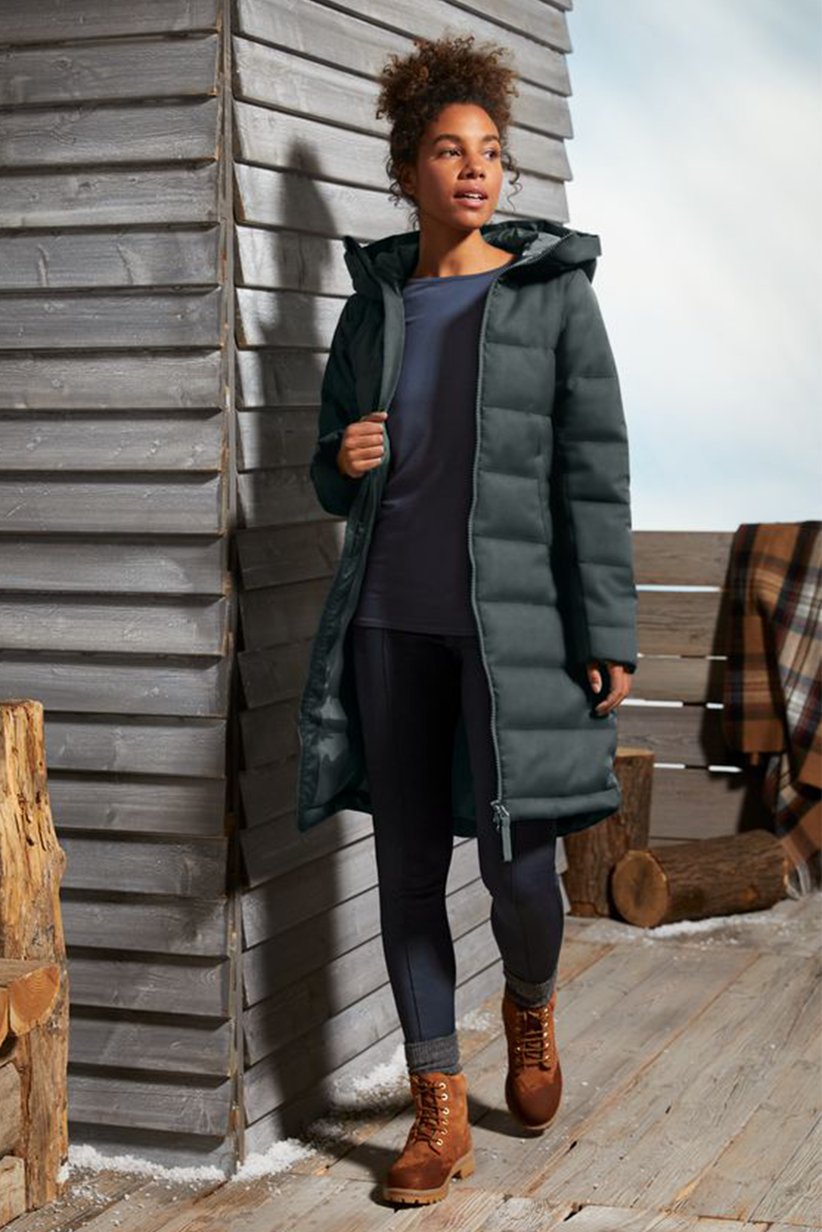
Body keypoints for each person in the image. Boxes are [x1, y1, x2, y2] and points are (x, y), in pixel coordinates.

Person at [296, 32, 637, 1208]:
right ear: (408, 170)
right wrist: (342, 459)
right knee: (404, 869)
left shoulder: (553, 297)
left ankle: (530, 1005)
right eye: (449, 150)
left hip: (516, 630)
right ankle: (438, 1106)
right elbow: (329, 466)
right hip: (389, 622)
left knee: (519, 867)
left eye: (489, 150)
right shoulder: (376, 309)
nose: (475, 168)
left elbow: (593, 469)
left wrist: (606, 628)